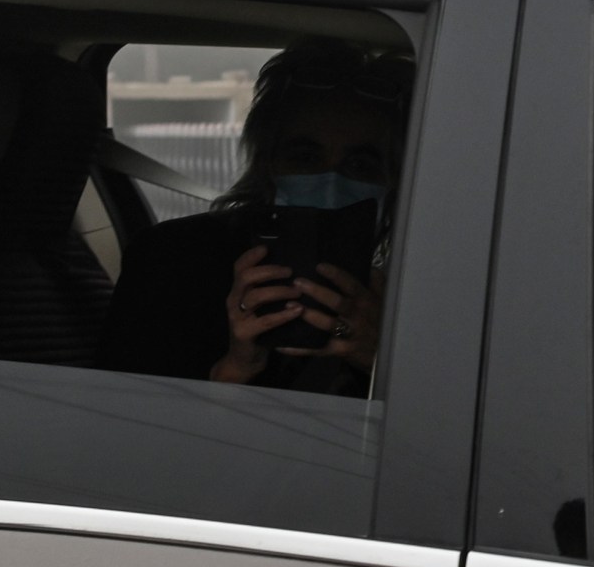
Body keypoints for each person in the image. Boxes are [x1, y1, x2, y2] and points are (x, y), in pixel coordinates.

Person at [98, 38, 403, 393]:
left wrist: (378, 361)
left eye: (360, 164)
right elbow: (123, 417)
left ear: (395, 177)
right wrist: (236, 368)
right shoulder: (175, 258)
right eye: (305, 157)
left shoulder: (421, 286)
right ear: (266, 162)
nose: (331, 181)